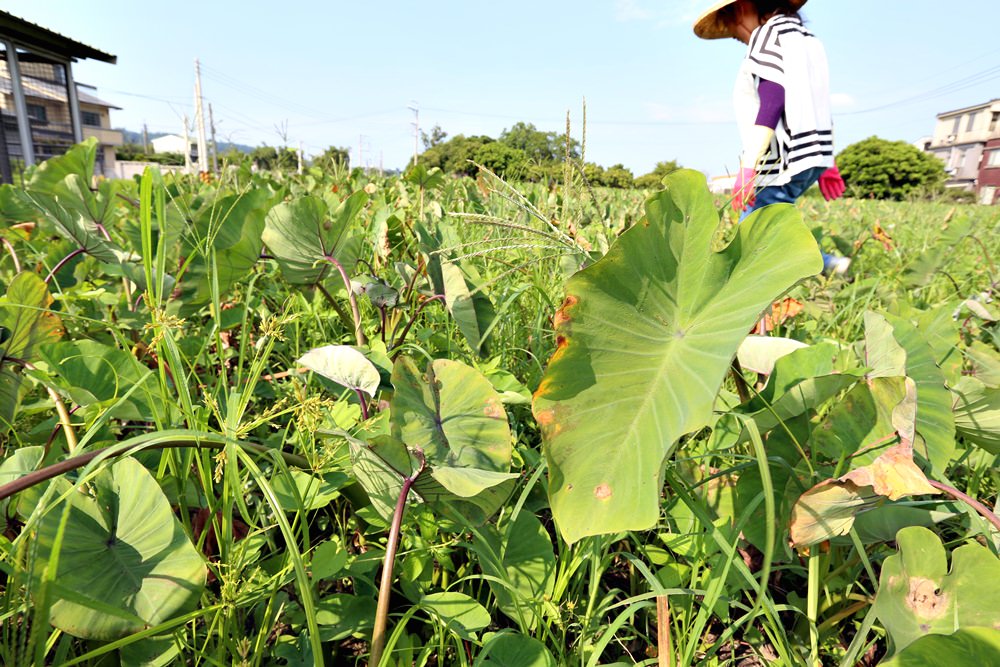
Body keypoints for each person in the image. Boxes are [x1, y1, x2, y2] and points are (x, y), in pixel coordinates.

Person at [694, 0, 850, 275]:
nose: (740, 40)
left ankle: (825, 265)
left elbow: (773, 99)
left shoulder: (767, 35)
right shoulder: (809, 41)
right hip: (813, 156)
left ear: (742, 8)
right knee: (772, 224)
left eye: (734, 32)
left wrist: (749, 166)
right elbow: (818, 102)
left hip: (783, 158)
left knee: (752, 234)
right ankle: (824, 265)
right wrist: (828, 162)